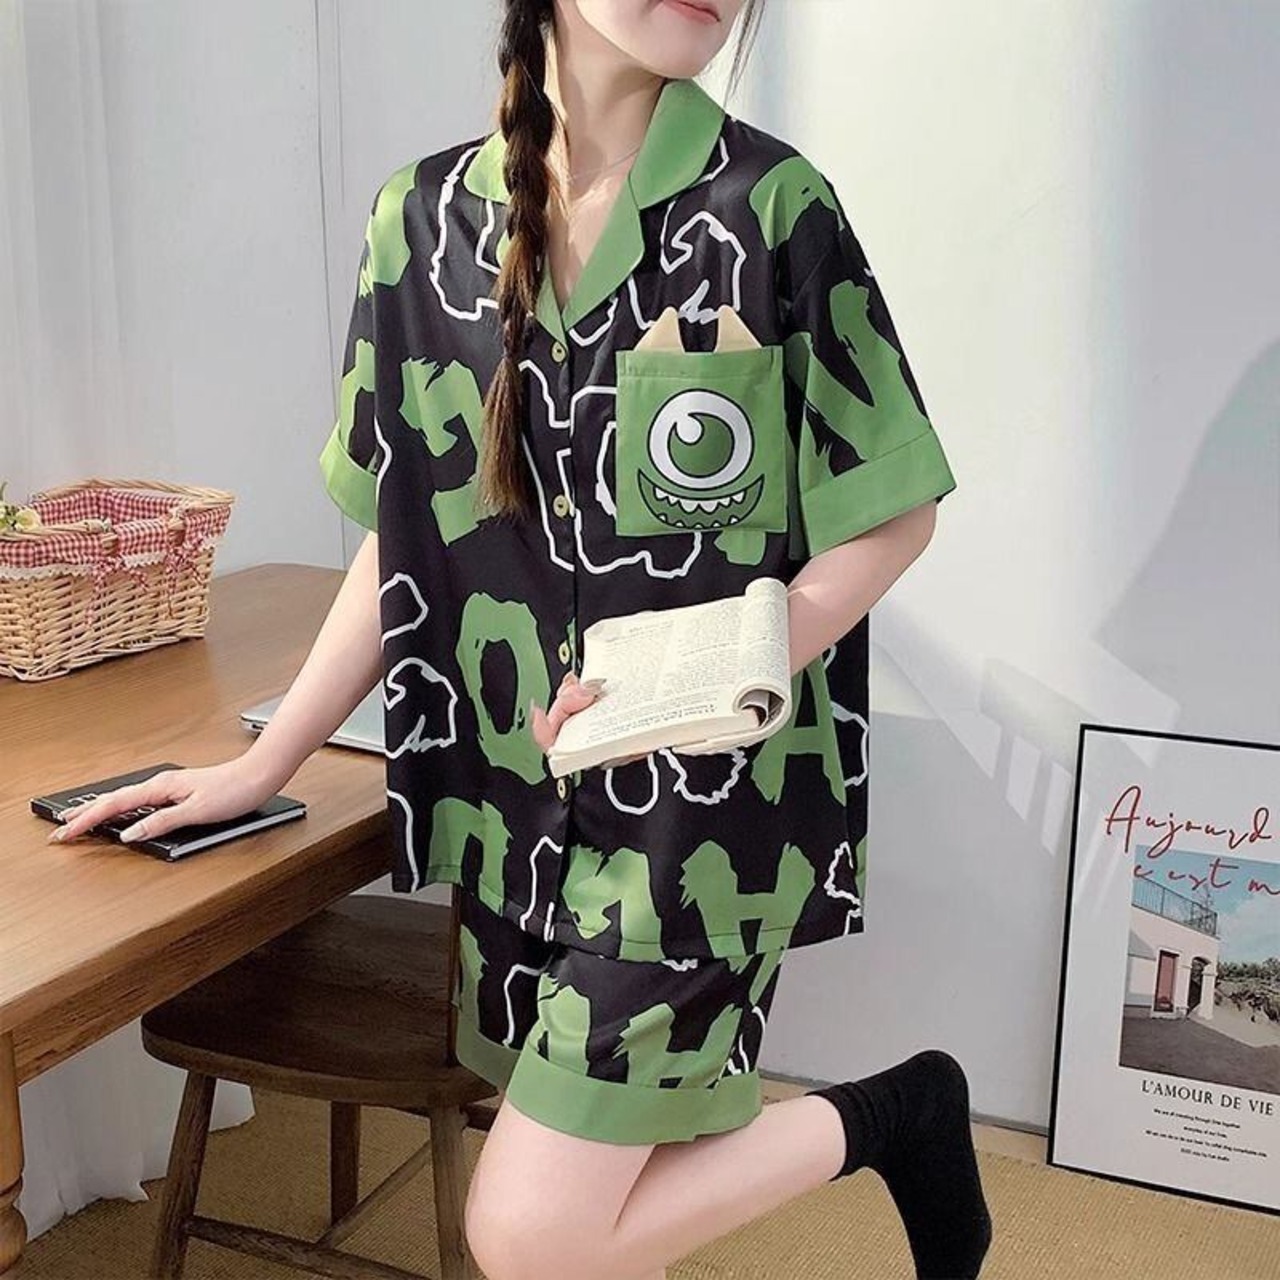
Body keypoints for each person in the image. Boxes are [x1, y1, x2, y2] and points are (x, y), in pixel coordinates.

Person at [49, 2, 992, 1277]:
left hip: (699, 820)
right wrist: (262, 766)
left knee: (529, 1229)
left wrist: (701, 679)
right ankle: (900, 1112)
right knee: (595, 1214)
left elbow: (889, 511)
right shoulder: (416, 223)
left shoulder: (772, 209)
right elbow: (401, 537)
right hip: (508, 814)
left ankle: (897, 1114)